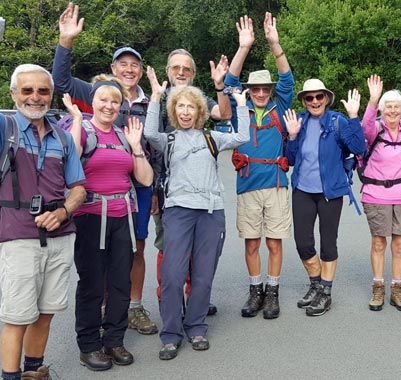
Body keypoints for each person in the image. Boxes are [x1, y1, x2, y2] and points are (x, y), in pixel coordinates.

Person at [0, 16, 86, 380]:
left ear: (50, 95)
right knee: (18, 316)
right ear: (14, 95)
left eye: (42, 91)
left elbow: (79, 188)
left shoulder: (63, 138)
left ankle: (35, 371)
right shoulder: (1, 128)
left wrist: (64, 212)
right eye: (27, 91)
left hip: (59, 236)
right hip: (17, 237)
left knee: (46, 312)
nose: (35, 97)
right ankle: (10, 377)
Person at [54, 2, 160, 335]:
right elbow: (60, 81)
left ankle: (134, 307)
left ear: (140, 71)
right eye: (122, 64)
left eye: (134, 65)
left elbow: (159, 145)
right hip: (101, 189)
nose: (129, 69)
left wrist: (154, 190)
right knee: (102, 255)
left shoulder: (152, 100)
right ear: (113, 68)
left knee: (136, 248)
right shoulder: (99, 93)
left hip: (139, 186)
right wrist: (66, 41)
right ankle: (102, 309)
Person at [144, 85, 249, 360]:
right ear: (174, 111)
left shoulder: (212, 137)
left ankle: (196, 326)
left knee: (203, 275)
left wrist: (240, 104)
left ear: (199, 111)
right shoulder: (168, 140)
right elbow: (148, 133)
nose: (186, 112)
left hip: (211, 212)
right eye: (181, 106)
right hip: (178, 211)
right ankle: (170, 333)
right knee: (173, 275)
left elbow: (242, 137)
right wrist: (155, 97)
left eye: (191, 107)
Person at [63, 75, 153, 370]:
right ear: (93, 102)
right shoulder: (84, 131)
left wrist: (136, 146)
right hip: (90, 217)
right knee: (91, 284)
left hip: (122, 218)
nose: (109, 105)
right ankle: (89, 345)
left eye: (115, 101)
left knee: (119, 282)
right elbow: (71, 160)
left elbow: (145, 178)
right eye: (103, 99)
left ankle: (114, 340)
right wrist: (77, 120)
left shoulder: (122, 136)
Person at [224, 13, 294, 319]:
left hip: (276, 185)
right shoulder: (240, 109)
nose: (262, 93)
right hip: (248, 185)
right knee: (251, 244)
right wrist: (244, 48)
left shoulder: (280, 106)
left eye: (266, 88)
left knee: (275, 244)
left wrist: (275, 44)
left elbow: (287, 80)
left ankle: (273, 293)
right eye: (256, 89)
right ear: (250, 90)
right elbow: (229, 83)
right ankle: (255, 292)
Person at [152, 48, 232, 317]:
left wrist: (220, 86)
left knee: (198, 250)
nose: (181, 72)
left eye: (186, 68)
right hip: (162, 188)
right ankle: (168, 301)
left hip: (197, 192)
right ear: (167, 71)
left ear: (194, 74)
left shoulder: (199, 99)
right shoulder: (158, 98)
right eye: (176, 67)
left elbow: (223, 113)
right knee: (168, 248)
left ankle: (194, 299)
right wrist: (152, 190)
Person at [284, 80, 366, 316]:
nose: (315, 101)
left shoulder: (337, 121)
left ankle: (326, 293)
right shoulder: (298, 121)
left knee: (328, 243)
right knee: (303, 243)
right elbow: (290, 159)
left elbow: (358, 147)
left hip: (331, 191)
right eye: (309, 98)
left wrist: (353, 116)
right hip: (303, 191)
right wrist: (291, 136)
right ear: (303, 101)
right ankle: (316, 283)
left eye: (319, 96)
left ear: (326, 98)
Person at [360, 75, 401, 312]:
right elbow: (364, 128)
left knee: (400, 246)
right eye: (388, 107)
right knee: (379, 243)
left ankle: (398, 289)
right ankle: (378, 287)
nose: (393, 111)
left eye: (397, 107)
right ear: (382, 110)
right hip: (376, 194)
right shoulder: (375, 129)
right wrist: (373, 100)